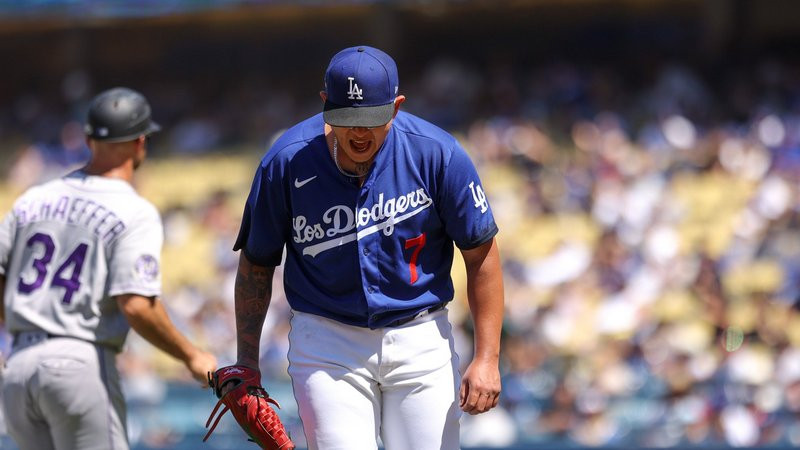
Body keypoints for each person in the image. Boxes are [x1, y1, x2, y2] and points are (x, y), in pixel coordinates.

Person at [229, 45, 504, 449]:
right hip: (327, 343)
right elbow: (256, 265)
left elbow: (481, 256)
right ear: (325, 105)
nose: (359, 132)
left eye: (371, 119)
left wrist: (487, 359)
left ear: (396, 107)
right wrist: (247, 363)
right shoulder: (286, 161)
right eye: (347, 119)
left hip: (420, 335)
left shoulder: (437, 154)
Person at [0, 87, 217, 450]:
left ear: (88, 139)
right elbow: (136, 305)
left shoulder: (32, 199)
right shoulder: (133, 210)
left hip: (19, 366)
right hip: (78, 361)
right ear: (140, 143)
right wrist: (191, 354)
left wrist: (28, 329)